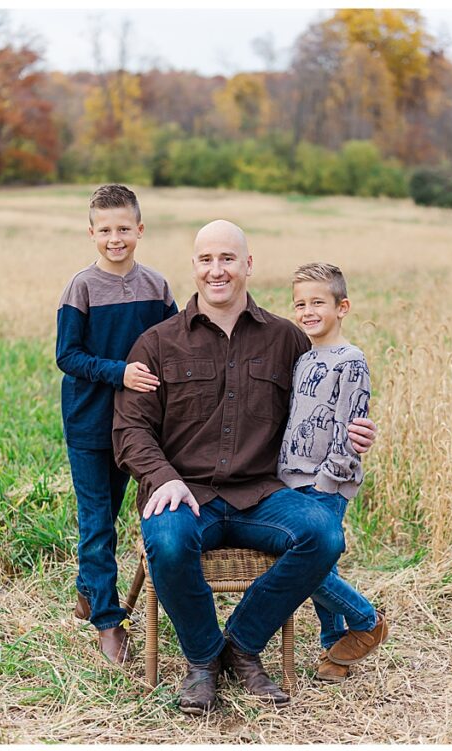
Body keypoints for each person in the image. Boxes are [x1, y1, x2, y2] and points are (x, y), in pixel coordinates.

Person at [113, 220, 377, 714]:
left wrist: (357, 432)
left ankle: (242, 643)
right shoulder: (157, 344)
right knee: (167, 540)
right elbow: (130, 430)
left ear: (248, 265)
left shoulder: (286, 340)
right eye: (207, 260)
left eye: (228, 259)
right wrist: (164, 478)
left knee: (323, 537)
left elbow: (325, 404)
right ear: (193, 267)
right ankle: (202, 660)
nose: (217, 270)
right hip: (185, 492)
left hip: (264, 494)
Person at [55, 184, 176, 664]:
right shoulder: (80, 288)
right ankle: (107, 620)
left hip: (140, 426)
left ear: (139, 230)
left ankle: (88, 588)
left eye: (124, 228)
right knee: (96, 523)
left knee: (114, 517)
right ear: (91, 233)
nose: (115, 238)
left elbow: (173, 345)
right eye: (105, 230)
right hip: (89, 424)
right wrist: (119, 372)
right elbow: (67, 355)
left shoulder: (157, 287)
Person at [278, 263, 388, 682]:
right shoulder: (305, 358)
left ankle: (365, 620)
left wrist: (327, 481)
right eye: (300, 304)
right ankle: (333, 648)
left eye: (317, 303)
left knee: (305, 565)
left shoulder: (351, 360)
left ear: (342, 307)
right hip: (293, 478)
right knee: (323, 565)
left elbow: (349, 426)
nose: (307, 311)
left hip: (325, 482)